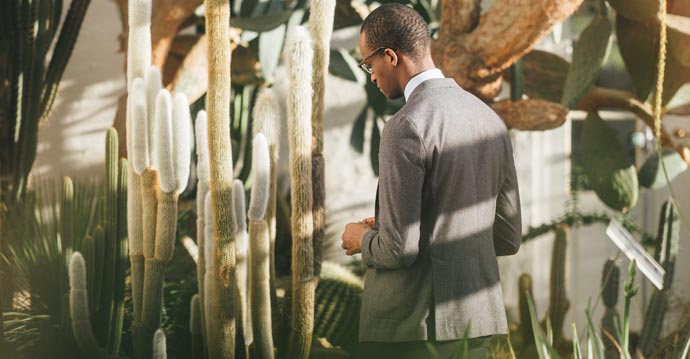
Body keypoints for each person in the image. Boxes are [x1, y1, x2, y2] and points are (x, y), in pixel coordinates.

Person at [340, 4, 522, 358]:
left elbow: (398, 250)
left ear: (389, 56)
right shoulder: (490, 121)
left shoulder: (406, 125)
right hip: (476, 324)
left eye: (368, 64)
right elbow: (506, 236)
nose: (370, 76)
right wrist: (396, 224)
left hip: (412, 329)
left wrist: (363, 239)